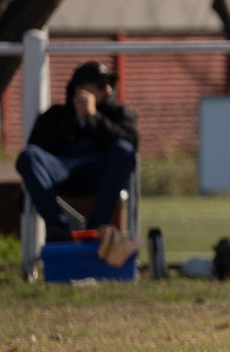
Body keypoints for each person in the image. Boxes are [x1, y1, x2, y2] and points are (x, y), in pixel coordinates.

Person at [17, 62, 139, 243]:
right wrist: (76, 121)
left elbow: (130, 143)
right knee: (29, 156)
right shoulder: (56, 114)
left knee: (124, 150)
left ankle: (97, 227)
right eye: (100, 85)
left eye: (110, 84)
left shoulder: (119, 114)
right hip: (62, 170)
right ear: (79, 89)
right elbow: (36, 147)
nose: (107, 90)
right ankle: (57, 226)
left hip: (101, 172)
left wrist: (94, 117)